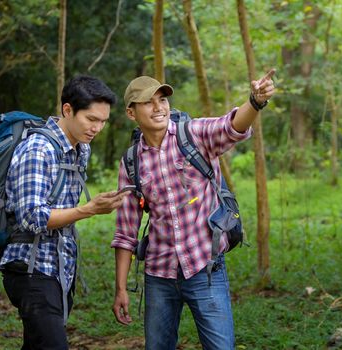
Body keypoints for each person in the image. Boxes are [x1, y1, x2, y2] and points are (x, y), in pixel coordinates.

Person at [111, 71, 276, 349]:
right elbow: (125, 232)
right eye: (148, 102)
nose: (158, 107)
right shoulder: (131, 163)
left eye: (162, 99)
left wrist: (255, 102)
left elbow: (230, 126)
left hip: (205, 268)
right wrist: (120, 288)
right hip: (159, 275)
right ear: (131, 113)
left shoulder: (193, 134)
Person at [0, 75, 129, 350]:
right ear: (67, 110)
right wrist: (88, 210)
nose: (97, 128)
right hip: (31, 268)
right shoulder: (38, 149)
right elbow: (32, 217)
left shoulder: (80, 149)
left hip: (60, 267)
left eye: (103, 121)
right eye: (91, 119)